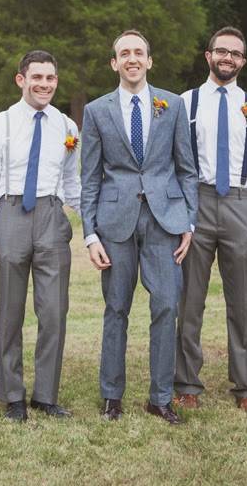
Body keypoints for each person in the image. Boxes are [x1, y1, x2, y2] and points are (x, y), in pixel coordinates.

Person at [80, 30, 198, 425]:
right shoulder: (97, 110)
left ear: (149, 60)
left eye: (139, 52)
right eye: (124, 53)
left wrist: (188, 221)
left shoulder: (173, 105)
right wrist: (90, 235)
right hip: (115, 223)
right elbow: (90, 178)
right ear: (114, 63)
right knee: (116, 308)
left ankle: (160, 398)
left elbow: (187, 169)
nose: (132, 59)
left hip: (165, 220)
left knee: (166, 305)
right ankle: (112, 397)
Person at [0, 50, 81, 422]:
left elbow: (72, 182)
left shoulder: (66, 126)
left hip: (51, 216)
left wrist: (95, 224)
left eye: (50, 78)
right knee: (10, 310)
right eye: (37, 77)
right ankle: (13, 396)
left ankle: (45, 395)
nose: (44, 84)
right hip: (10, 214)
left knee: (54, 311)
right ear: (21, 80)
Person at [174, 27, 247, 412]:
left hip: (241, 203)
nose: (227, 58)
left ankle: (246, 386)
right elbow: (172, 159)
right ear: (208, 56)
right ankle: (187, 383)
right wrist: (180, 213)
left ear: (242, 62)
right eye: (221, 51)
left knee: (243, 301)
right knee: (189, 300)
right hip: (196, 204)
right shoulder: (185, 103)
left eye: (235, 53)